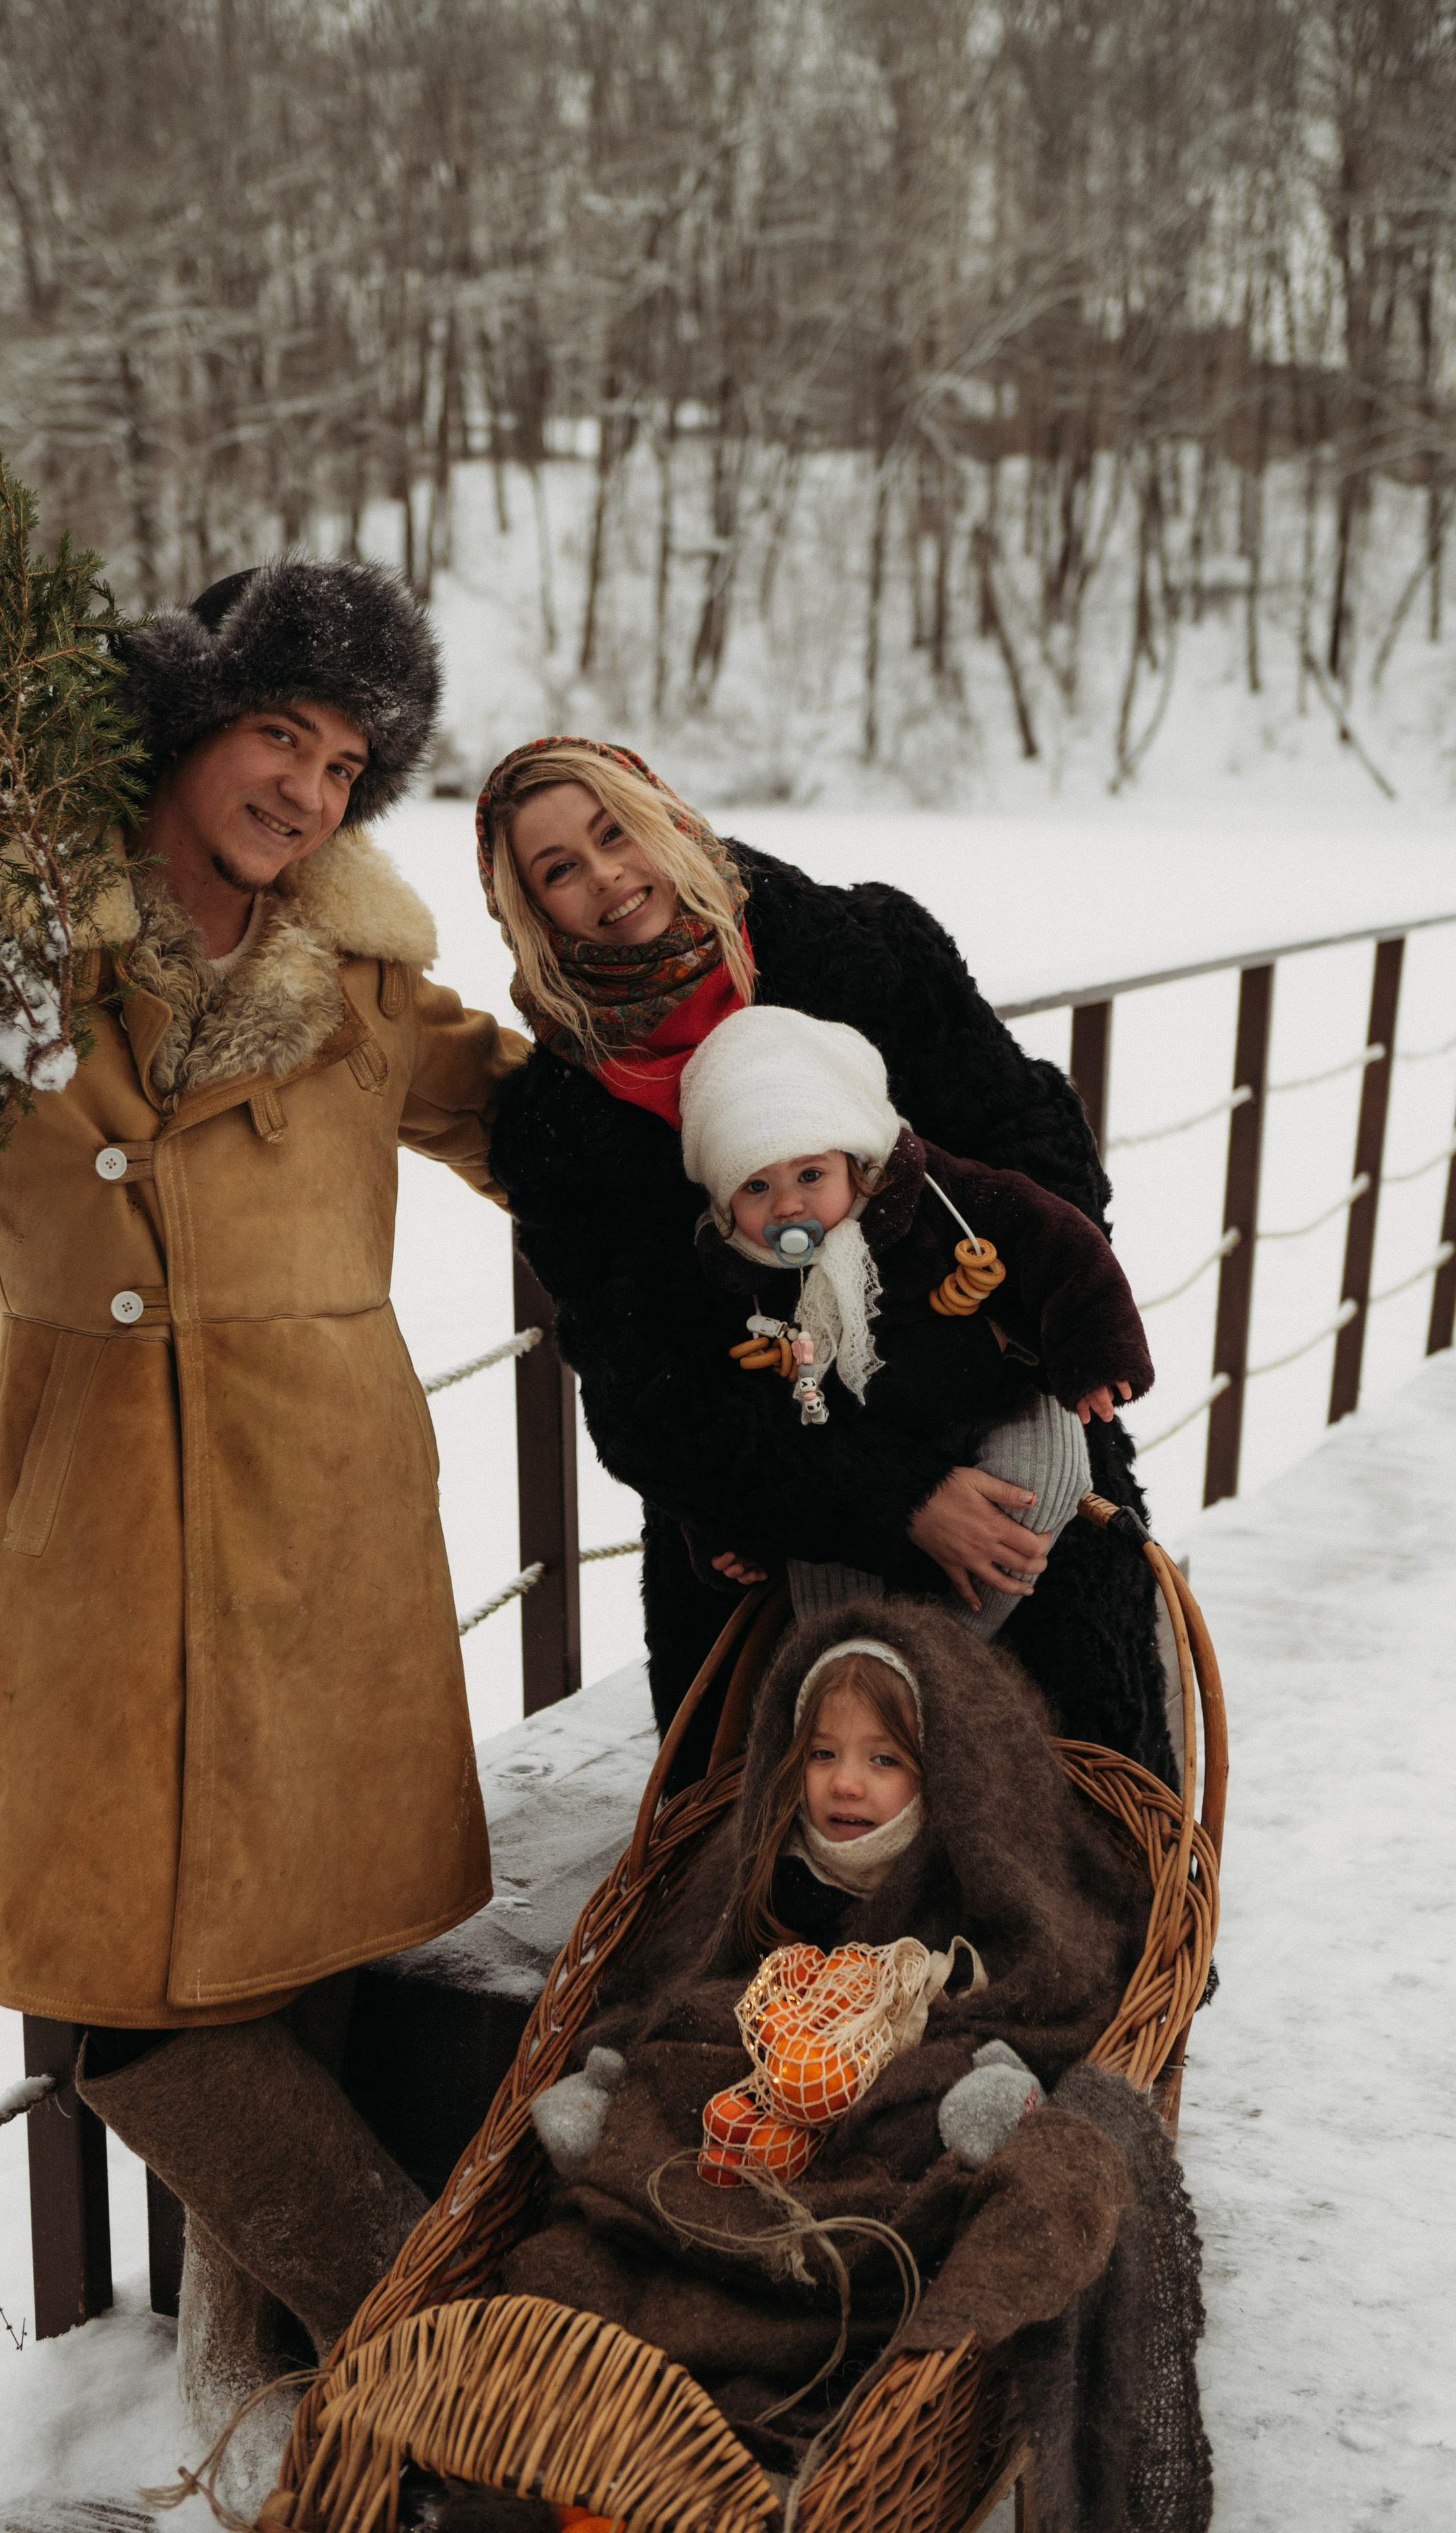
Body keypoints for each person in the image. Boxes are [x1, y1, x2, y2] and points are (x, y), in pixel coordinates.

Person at [0, 560, 528, 2436]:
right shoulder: (9, 932)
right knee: (126, 1990)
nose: (306, 790)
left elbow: (541, 1129)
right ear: (190, 719)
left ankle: (267, 2393)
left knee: (303, 1940)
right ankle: (447, 2367)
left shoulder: (361, 976)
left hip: (326, 1503)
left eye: (347, 765)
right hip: (94, 1504)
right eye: (281, 732)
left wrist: (771, 1139)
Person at [474, 737, 1170, 1781]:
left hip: (1011, 1433)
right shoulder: (560, 1119)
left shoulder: (867, 953)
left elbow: (1035, 1147)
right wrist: (898, 1495)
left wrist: (989, 1363)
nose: (607, 875)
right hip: (773, 1506)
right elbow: (646, 1393)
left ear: (668, 820)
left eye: (615, 832)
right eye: (559, 869)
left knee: (1077, 1805)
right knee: (788, 1836)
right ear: (532, 912)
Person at [475, 1597, 1209, 2523]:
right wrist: (622, 2070)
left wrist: (978, 2073)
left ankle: (750, 2410)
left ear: (945, 1773)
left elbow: (1040, 2000)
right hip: (732, 2144)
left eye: (883, 1760)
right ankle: (589, 2413)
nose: (845, 1785)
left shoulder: (965, 1885)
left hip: (857, 2180)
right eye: (822, 1754)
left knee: (913, 2196)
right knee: (598, 2223)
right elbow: (681, 1988)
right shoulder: (767, 1871)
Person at [677, 1002, 1154, 1637]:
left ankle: (943, 1653)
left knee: (1046, 1474)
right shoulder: (735, 1276)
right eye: (756, 1188)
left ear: (857, 1161)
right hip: (853, 1446)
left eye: (811, 1175)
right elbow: (714, 1411)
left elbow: (1055, 1241)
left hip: (991, 1394)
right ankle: (855, 1664)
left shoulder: (933, 1194)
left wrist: (1096, 1350)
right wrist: (721, 1530)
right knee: (822, 1540)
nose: (788, 1205)